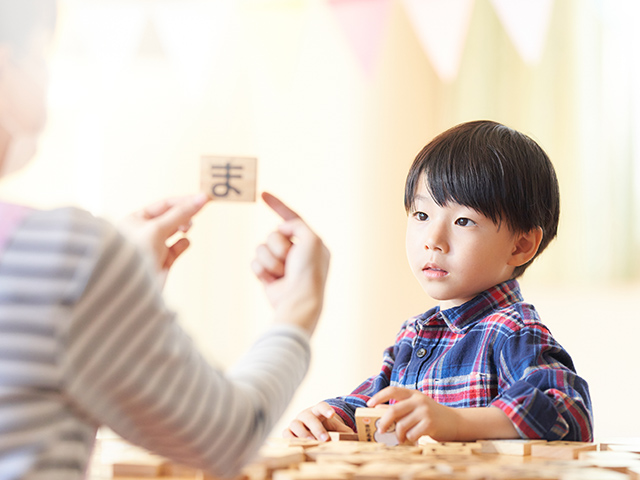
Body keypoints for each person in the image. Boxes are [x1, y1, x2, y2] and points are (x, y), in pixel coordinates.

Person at [0, 1, 330, 478]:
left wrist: (112, 290)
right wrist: (296, 313)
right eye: (37, 55)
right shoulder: (61, 253)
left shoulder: (69, 259)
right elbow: (225, 437)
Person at [285, 120, 593, 444]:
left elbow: (569, 412)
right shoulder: (414, 336)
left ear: (520, 246)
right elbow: (372, 404)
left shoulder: (511, 330)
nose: (433, 240)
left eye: (463, 221)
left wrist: (456, 422)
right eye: (421, 215)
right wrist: (329, 417)